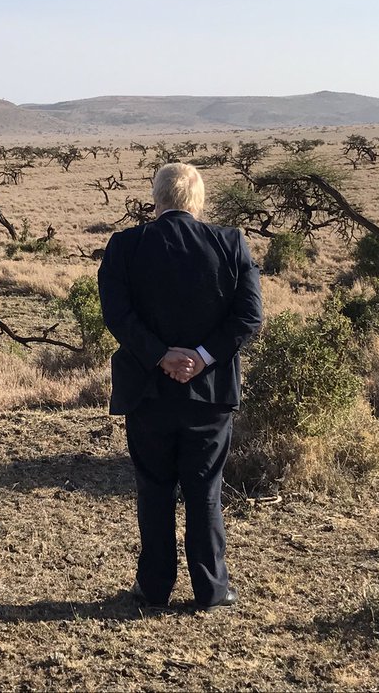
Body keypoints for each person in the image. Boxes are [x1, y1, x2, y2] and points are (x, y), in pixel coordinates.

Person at [97, 162, 263, 611]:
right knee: (205, 490)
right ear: (198, 200)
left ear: (158, 198)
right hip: (209, 395)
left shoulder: (125, 246)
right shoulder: (230, 242)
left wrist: (160, 355)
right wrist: (203, 357)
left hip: (147, 393)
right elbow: (249, 316)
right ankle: (212, 589)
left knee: (154, 489)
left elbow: (117, 316)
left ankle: (153, 589)